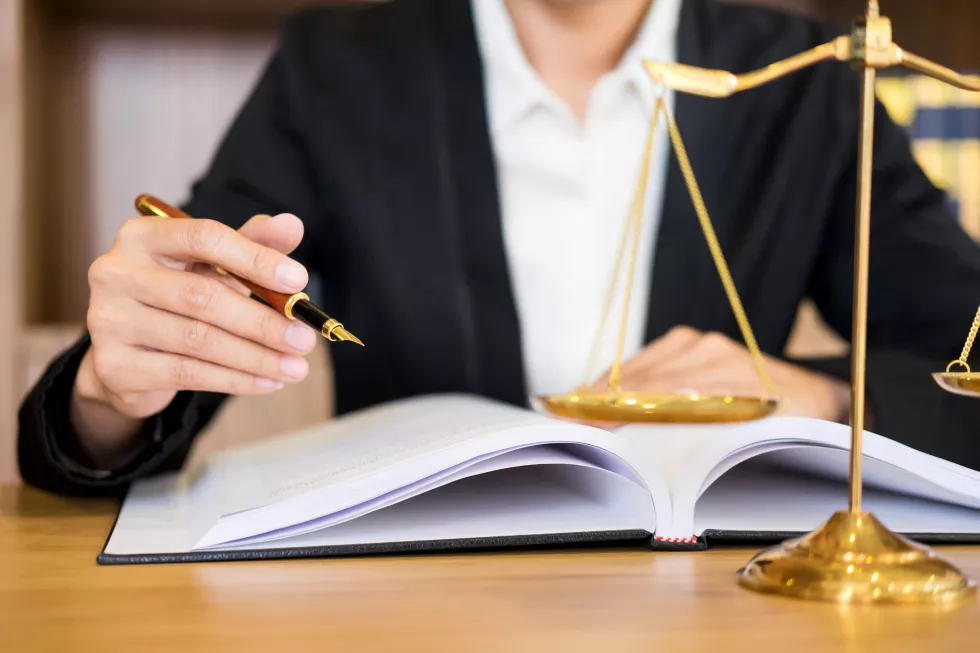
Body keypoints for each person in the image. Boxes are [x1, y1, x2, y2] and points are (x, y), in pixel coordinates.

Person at [18, 0, 980, 496]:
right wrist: (111, 392)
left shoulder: (810, 83)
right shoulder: (338, 71)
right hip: (419, 612)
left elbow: (963, 362)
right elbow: (189, 319)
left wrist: (821, 396)